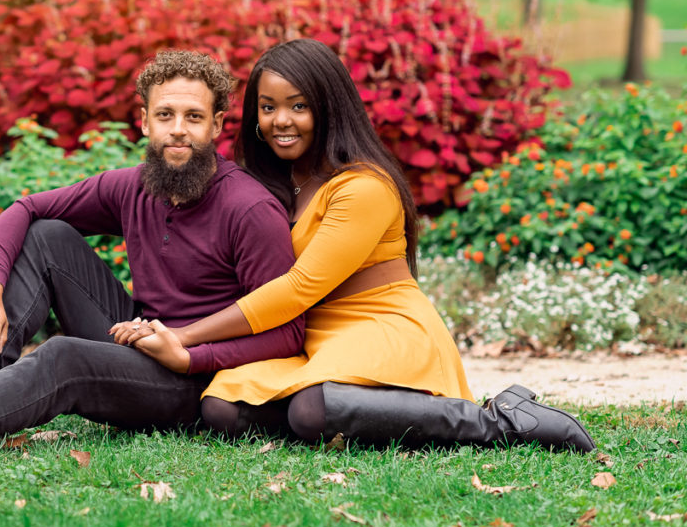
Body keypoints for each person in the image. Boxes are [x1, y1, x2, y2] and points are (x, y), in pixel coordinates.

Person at [0, 50, 305, 460]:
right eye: (165, 115)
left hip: (193, 379)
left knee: (63, 356)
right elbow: (25, 208)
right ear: (144, 121)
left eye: (193, 117)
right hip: (139, 334)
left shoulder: (249, 209)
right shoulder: (133, 186)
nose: (178, 130)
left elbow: (288, 333)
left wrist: (189, 353)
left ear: (217, 124)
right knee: (47, 234)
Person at [113, 38, 596, 453]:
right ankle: (347, 420)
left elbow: (299, 287)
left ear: (328, 107)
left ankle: (498, 421)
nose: (282, 120)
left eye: (298, 105)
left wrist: (186, 337)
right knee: (222, 408)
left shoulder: (363, 187)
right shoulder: (276, 183)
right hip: (315, 337)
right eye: (268, 107)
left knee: (311, 408)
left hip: (382, 326)